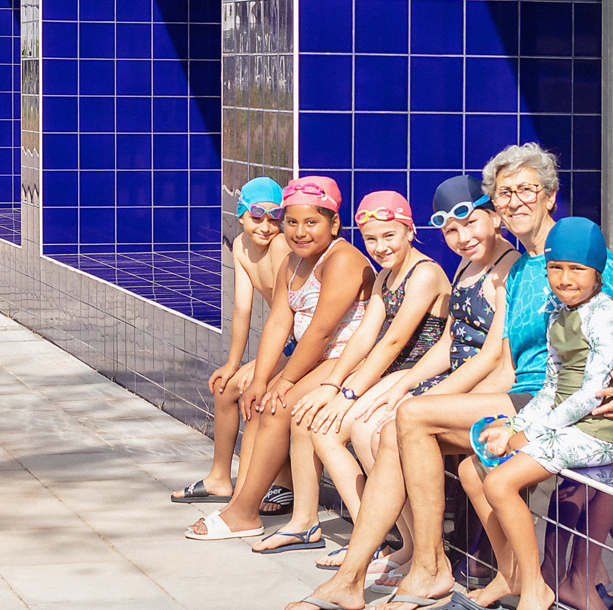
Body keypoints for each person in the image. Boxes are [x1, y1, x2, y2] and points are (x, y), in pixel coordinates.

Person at [386, 143, 613, 610]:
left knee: (414, 416)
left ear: (550, 195)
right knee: (467, 461)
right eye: (504, 193)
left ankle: (430, 566)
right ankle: (511, 576)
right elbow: (503, 360)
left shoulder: (582, 259)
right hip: (532, 395)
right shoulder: (520, 271)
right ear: (495, 205)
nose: (516, 200)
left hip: (569, 404)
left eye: (527, 189)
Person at [284, 174, 517, 610]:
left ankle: (413, 561)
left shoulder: (502, 272)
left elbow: (488, 357)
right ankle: (395, 556)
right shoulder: (465, 267)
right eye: (450, 229)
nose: (462, 238)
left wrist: (375, 393)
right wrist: (391, 386)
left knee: (380, 427)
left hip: (480, 386)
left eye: (470, 224)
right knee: (348, 425)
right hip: (440, 377)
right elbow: (449, 342)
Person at [185, 175, 372, 550]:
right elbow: (278, 322)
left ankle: (245, 511)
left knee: (277, 405)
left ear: (334, 224)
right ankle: (245, 505)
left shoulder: (343, 260)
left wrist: (283, 381)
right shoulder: (292, 261)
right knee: (258, 401)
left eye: (311, 223)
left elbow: (320, 332)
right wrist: (260, 380)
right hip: (319, 357)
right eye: (292, 222)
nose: (300, 232)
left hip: (350, 359)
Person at [469, 217, 613, 610]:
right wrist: (517, 423)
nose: (565, 278)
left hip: (594, 433)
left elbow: (591, 395)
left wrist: (530, 434)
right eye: (555, 268)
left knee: (499, 484)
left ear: (598, 274)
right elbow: (551, 386)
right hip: (565, 423)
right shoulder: (561, 313)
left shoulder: (605, 316)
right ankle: (513, 576)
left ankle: (535, 586)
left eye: (577, 269)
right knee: (472, 469)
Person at [288, 192, 449, 590]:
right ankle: (378, 537)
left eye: (390, 235)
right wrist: (332, 384)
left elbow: (394, 342)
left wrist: (348, 394)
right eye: (372, 239)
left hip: (422, 376)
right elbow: (363, 337)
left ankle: (410, 548)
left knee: (361, 426)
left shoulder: (425, 274)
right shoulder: (383, 276)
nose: (381, 247)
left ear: (410, 229)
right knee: (322, 430)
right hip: (391, 374)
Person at [171, 176, 292, 510]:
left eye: (274, 219)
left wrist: (261, 371)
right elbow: (242, 308)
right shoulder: (240, 245)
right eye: (257, 217)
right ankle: (219, 478)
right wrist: (232, 363)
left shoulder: (282, 247)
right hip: (285, 340)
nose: (266, 227)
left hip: (301, 339)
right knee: (225, 387)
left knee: (255, 392)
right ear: (240, 215)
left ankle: (273, 486)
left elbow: (288, 313)